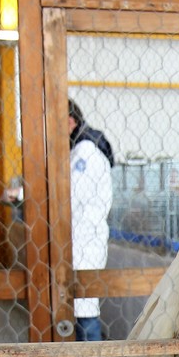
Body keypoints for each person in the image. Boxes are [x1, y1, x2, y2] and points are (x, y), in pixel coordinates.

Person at [67, 99, 114, 342]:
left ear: (70, 120)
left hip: (83, 242)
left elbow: (69, 196)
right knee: (80, 310)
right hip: (79, 242)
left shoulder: (85, 151)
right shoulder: (79, 148)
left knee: (84, 313)